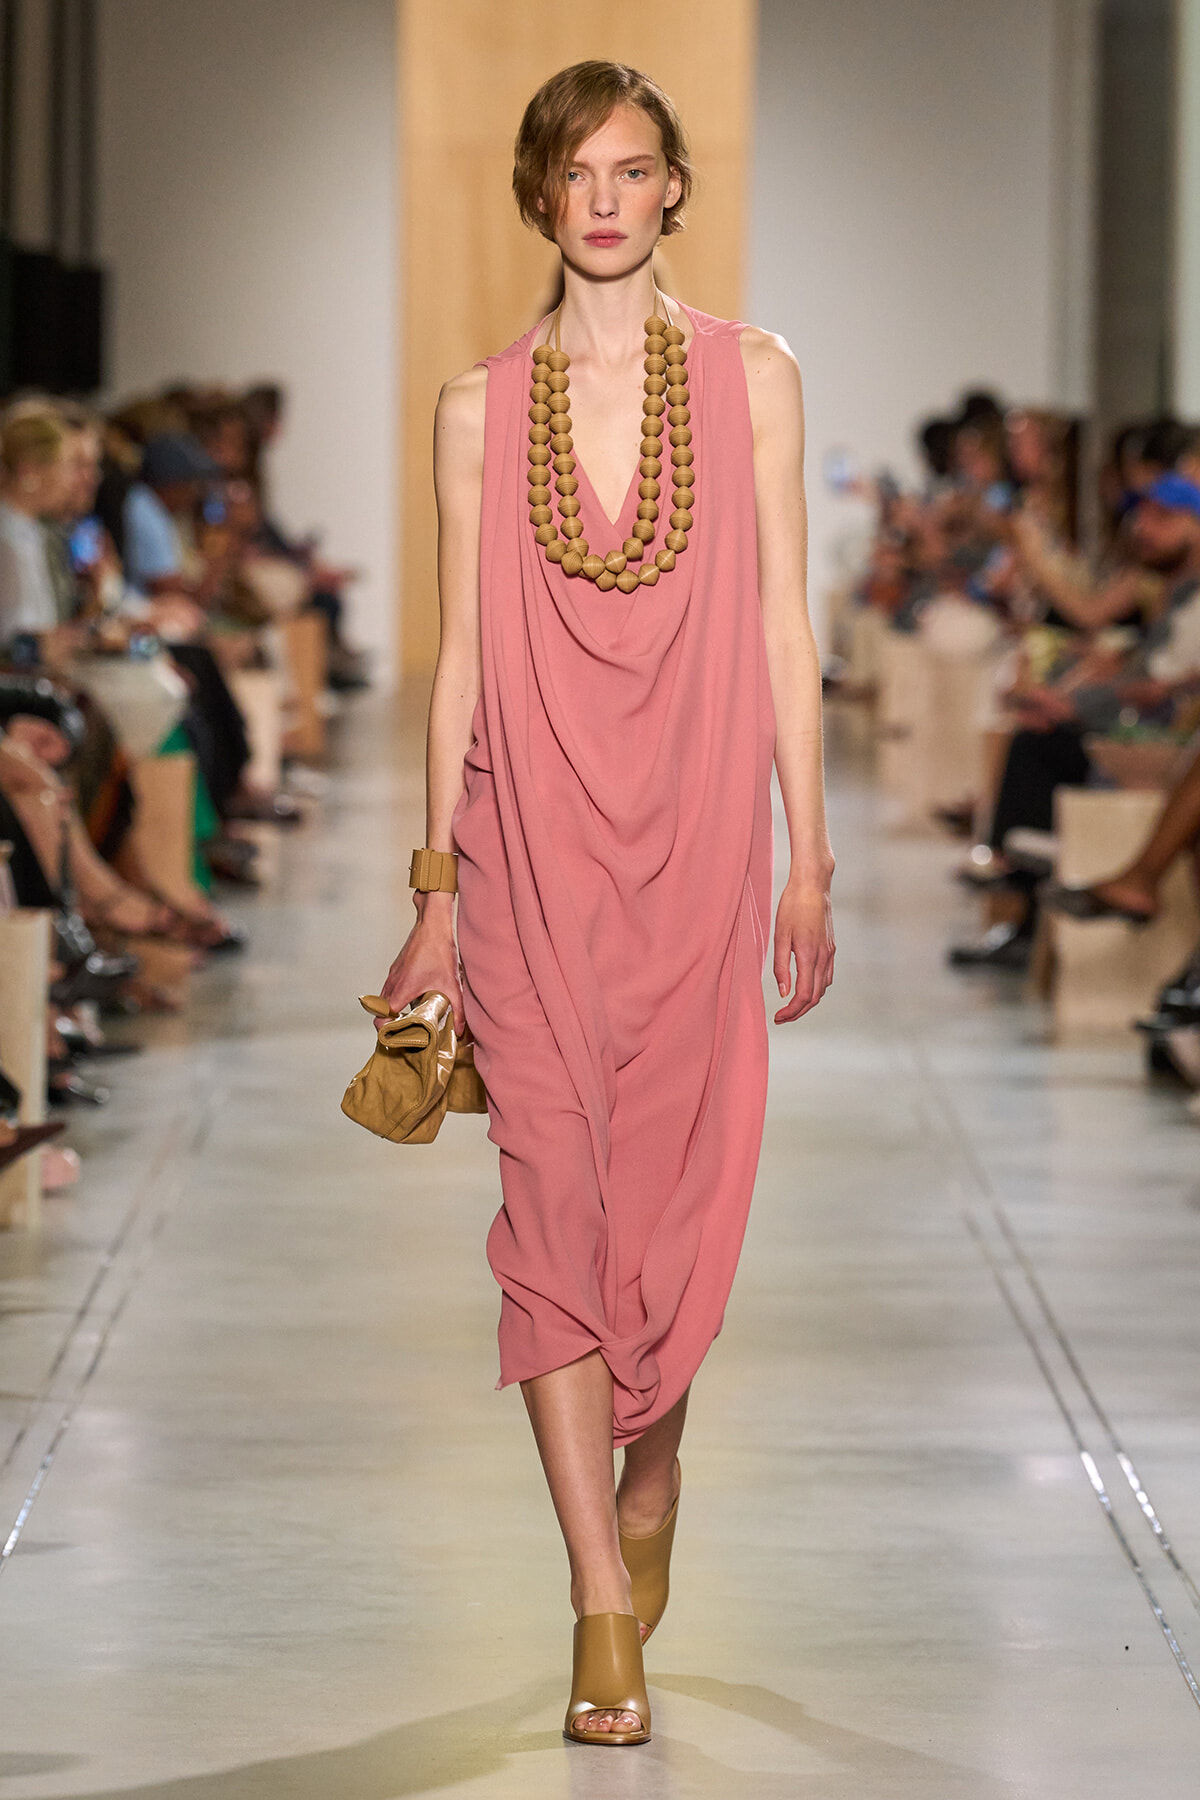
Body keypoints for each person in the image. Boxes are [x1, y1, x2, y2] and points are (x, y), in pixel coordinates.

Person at [375, 61, 834, 1748]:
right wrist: (435, 891)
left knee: (670, 1200)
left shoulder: (758, 379)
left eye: (635, 170)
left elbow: (788, 624)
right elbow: (457, 670)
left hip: (703, 843)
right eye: (578, 171)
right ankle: (595, 1597)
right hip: (527, 855)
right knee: (553, 1206)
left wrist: (815, 850)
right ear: (539, 191)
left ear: (674, 191)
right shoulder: (475, 410)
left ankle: (657, 1463)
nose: (606, 198)